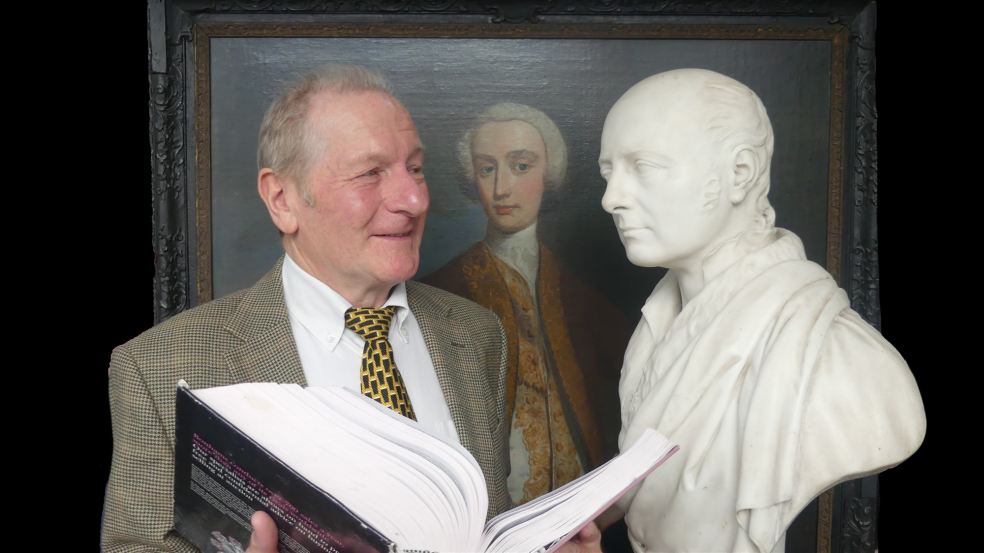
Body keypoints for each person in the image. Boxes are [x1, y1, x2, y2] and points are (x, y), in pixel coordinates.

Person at [103, 64, 604, 553]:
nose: (413, 199)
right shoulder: (160, 368)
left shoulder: (476, 335)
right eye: (370, 173)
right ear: (282, 198)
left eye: (415, 168)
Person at [597, 68, 926, 553]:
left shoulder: (842, 363)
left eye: (643, 167)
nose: (611, 200)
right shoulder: (655, 330)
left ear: (740, 173)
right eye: (608, 174)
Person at [424, 103, 631, 505]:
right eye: (487, 169)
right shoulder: (442, 288)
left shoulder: (578, 287)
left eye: (521, 166)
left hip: (585, 518)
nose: (502, 188)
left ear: (548, 173)